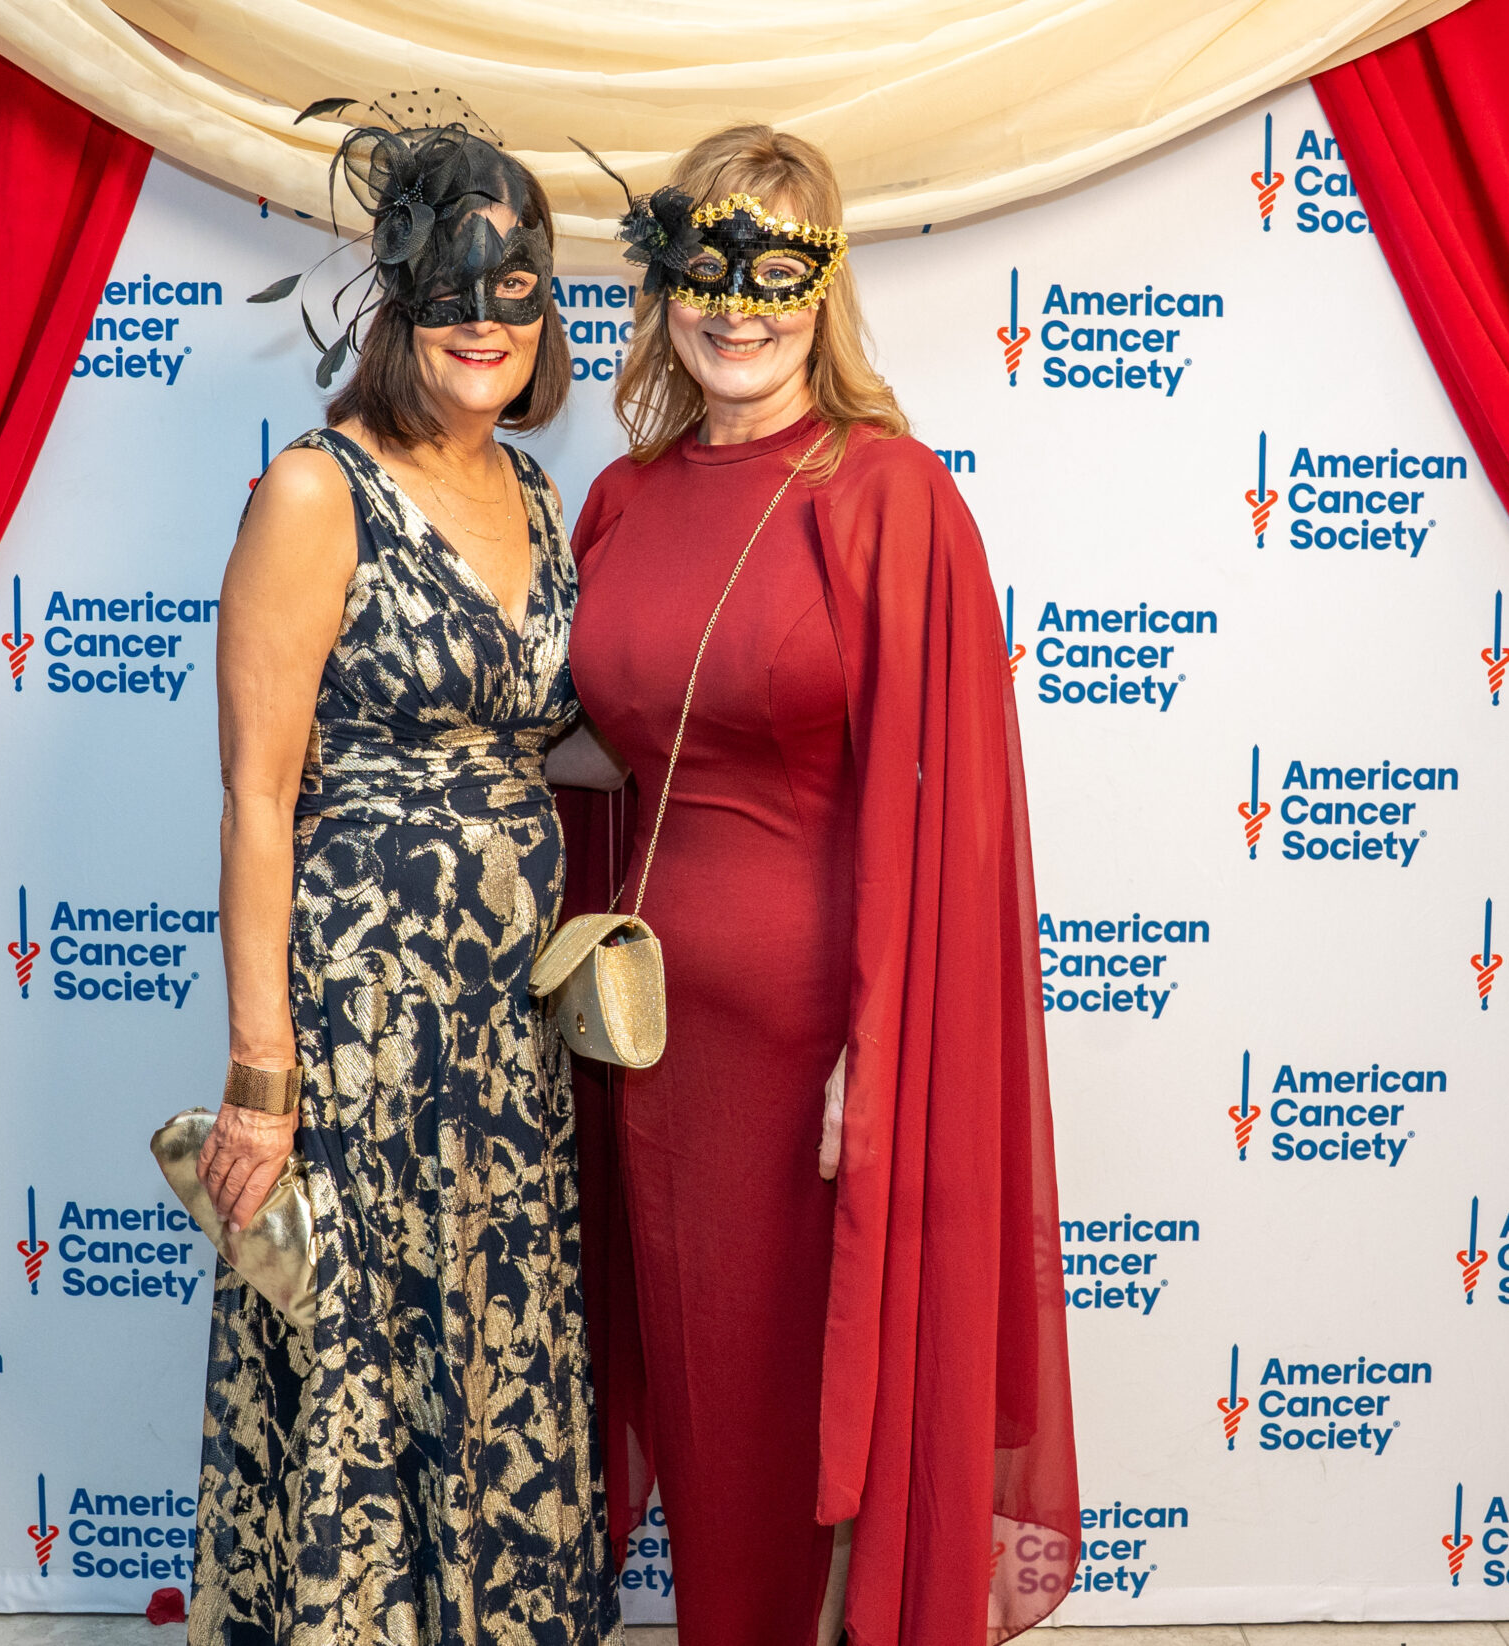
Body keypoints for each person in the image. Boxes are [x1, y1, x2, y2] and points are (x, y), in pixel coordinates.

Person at [560, 126, 1079, 1646]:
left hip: (812, 1048)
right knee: (709, 1403)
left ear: (827, 286)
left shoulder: (887, 494)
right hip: (643, 1042)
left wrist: (883, 1049)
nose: (738, 305)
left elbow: (947, 815)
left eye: (775, 268)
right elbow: (602, 750)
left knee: (810, 1412)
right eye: (705, 266)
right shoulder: (621, 499)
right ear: (660, 286)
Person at [195, 118, 619, 1646]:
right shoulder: (319, 490)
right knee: (369, 1346)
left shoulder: (541, 496)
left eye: (517, 287)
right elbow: (258, 793)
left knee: (493, 1340)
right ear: (396, 296)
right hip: (362, 1020)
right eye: (451, 286)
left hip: (505, 1030)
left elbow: (545, 741)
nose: (484, 319)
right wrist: (261, 1078)